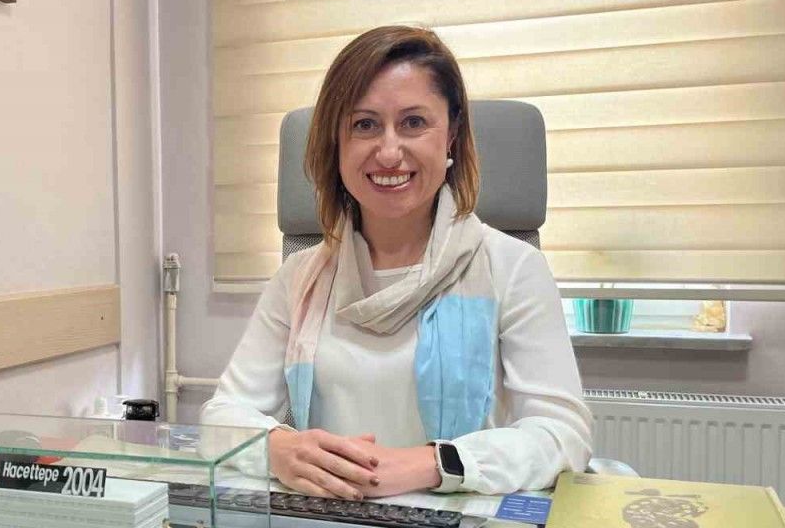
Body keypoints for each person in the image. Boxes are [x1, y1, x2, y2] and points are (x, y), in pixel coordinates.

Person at [201, 26, 591, 499]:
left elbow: (561, 434)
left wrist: (432, 463)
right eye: (364, 125)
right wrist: (277, 448)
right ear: (337, 144)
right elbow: (222, 417)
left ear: (451, 136)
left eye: (413, 122)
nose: (388, 152)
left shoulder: (512, 269)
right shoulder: (299, 279)